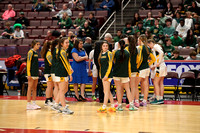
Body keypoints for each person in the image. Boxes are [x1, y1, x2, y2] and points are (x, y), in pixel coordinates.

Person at [113, 39, 138, 111]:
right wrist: (129, 74)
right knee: (128, 90)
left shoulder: (115, 53)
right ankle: (131, 105)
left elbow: (113, 62)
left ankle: (119, 105)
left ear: (118, 44)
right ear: (124, 45)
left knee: (118, 89)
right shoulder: (127, 53)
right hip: (125, 74)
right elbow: (129, 65)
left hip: (116, 73)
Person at [52, 38, 74, 114]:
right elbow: (65, 63)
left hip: (61, 72)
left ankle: (56, 104)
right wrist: (70, 74)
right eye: (66, 43)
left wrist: (70, 68)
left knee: (64, 90)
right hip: (61, 72)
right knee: (61, 90)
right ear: (62, 43)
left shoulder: (64, 51)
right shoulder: (62, 51)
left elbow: (66, 62)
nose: (68, 44)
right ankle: (64, 108)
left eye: (68, 42)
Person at [135, 34, 155, 107]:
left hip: (141, 68)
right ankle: (144, 101)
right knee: (145, 85)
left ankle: (136, 101)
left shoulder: (139, 48)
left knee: (135, 85)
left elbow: (139, 59)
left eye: (138, 40)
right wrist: (148, 63)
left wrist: (137, 67)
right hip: (147, 68)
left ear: (140, 40)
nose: (137, 41)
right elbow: (154, 59)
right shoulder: (148, 48)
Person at [97, 42, 116, 112]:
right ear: (101, 47)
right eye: (104, 46)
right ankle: (113, 106)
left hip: (108, 75)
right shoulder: (101, 54)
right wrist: (100, 74)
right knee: (107, 91)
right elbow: (101, 66)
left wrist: (106, 75)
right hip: (102, 74)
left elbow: (110, 65)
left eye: (106, 46)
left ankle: (104, 106)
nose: (105, 47)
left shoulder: (109, 53)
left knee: (106, 91)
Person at [148, 39, 167, 104]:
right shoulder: (157, 46)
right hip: (162, 65)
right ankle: (161, 98)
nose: (149, 47)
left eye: (149, 45)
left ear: (151, 43)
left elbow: (162, 53)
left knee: (156, 82)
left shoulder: (156, 46)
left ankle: (158, 98)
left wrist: (158, 63)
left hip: (159, 66)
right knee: (161, 82)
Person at [26, 40, 41, 110]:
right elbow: (28, 63)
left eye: (39, 44)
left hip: (35, 72)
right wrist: (28, 74)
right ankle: (28, 104)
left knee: (35, 88)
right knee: (30, 88)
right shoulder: (30, 52)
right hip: (31, 73)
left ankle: (34, 103)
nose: (39, 46)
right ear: (34, 45)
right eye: (37, 44)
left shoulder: (36, 53)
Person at [126, 36, 139, 108]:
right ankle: (132, 102)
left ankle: (130, 102)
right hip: (134, 68)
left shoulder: (126, 49)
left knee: (127, 87)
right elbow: (138, 59)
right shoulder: (136, 49)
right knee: (133, 86)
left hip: (128, 69)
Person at [41, 41, 54, 106]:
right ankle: (47, 100)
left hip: (50, 71)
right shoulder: (48, 53)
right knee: (49, 86)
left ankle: (50, 98)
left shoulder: (50, 52)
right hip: (48, 72)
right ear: (50, 46)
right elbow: (51, 62)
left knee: (51, 86)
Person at [50, 39, 60, 104]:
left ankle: (57, 100)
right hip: (55, 70)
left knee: (57, 86)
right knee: (56, 86)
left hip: (55, 70)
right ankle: (56, 101)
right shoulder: (56, 50)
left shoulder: (55, 50)